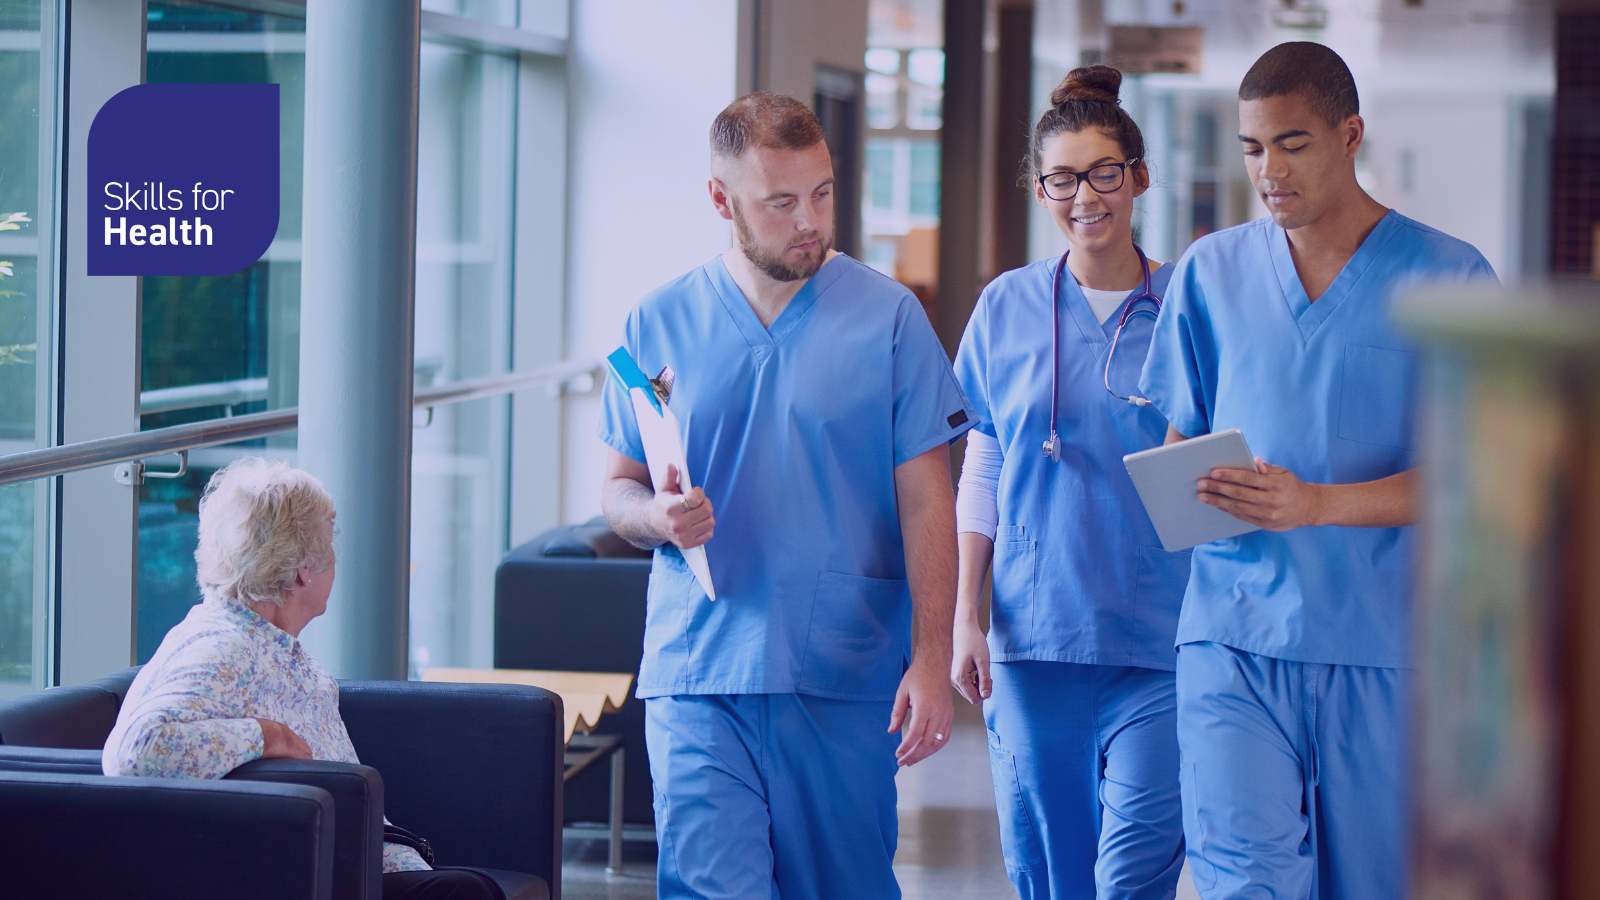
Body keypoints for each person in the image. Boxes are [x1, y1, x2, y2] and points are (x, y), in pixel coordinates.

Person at [1137, 42, 1497, 899]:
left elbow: (1472, 482)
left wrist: (1316, 503)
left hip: (1382, 648)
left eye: (1292, 144)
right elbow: (1182, 433)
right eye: (1253, 148)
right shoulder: (1212, 273)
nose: (1269, 171)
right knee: (1243, 879)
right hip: (1231, 635)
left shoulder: (1450, 277)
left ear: (1351, 134)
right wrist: (1188, 482)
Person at [597, 91, 974, 900]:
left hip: (842, 666)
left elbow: (927, 504)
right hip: (698, 667)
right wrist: (655, 519)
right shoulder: (654, 322)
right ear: (720, 200)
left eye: (823, 193)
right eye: (781, 202)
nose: (811, 220)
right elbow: (619, 491)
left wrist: (935, 657)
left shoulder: (891, 319)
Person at [950, 65, 1189, 900]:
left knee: (1133, 875)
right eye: (1062, 178)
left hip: (1162, 639)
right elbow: (984, 457)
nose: (1085, 196)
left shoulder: (1186, 306)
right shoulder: (1006, 306)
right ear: (1040, 187)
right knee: (1051, 873)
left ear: (1139, 177)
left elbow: (1219, 463)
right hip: (1032, 637)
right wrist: (965, 614)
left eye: (1105, 173)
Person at [103, 458, 497, 900]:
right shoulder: (223, 647)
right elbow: (135, 752)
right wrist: (263, 735)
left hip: (358, 863)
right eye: (330, 548)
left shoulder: (267, 642)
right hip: (311, 876)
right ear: (303, 571)